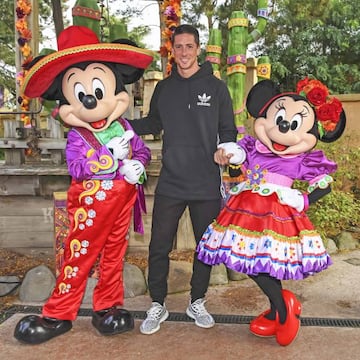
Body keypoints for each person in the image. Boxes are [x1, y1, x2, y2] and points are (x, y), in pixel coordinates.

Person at [13, 25, 153, 344]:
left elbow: (141, 151)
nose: (91, 102)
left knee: (114, 256)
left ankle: (107, 307)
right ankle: (58, 314)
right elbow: (77, 166)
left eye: (99, 92)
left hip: (122, 203)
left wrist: (137, 167)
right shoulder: (78, 136)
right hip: (91, 207)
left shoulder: (125, 125)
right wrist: (107, 156)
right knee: (80, 255)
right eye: (81, 95)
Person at [196, 77, 346, 346]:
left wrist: (301, 198)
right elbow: (236, 158)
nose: (284, 126)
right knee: (249, 262)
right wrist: (228, 155)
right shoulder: (254, 147)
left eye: (296, 122)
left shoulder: (303, 158)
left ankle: (282, 309)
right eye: (278, 116)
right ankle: (280, 306)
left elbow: (324, 185)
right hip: (244, 210)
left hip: (279, 214)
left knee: (265, 263)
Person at [130, 24, 237, 335]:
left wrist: (224, 150)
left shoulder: (216, 88)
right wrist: (120, 124)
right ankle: (158, 304)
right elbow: (152, 122)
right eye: (179, 47)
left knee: (204, 248)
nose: (185, 52)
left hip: (205, 181)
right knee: (159, 245)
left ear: (198, 49)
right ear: (172, 51)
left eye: (190, 46)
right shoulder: (164, 88)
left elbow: (228, 131)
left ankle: (197, 301)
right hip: (172, 181)